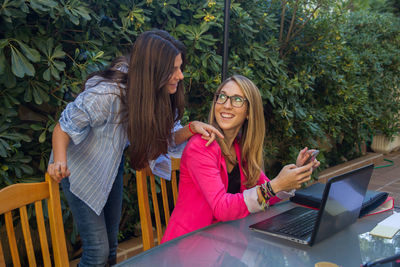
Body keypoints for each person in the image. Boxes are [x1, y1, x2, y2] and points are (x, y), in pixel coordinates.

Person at [47, 30, 223, 266]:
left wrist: (192, 128)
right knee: (97, 252)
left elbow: (165, 137)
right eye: (174, 69)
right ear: (154, 70)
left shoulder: (156, 93)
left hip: (110, 164)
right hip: (77, 168)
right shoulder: (107, 94)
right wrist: (59, 161)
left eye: (181, 67)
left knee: (111, 251)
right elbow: (63, 127)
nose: (180, 75)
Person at [161, 75, 320, 243]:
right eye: (222, 97)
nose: (226, 105)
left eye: (237, 99)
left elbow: (266, 193)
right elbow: (222, 208)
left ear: (249, 113)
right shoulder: (201, 146)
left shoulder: (238, 148)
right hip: (189, 247)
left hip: (224, 244)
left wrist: (295, 173)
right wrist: (276, 185)